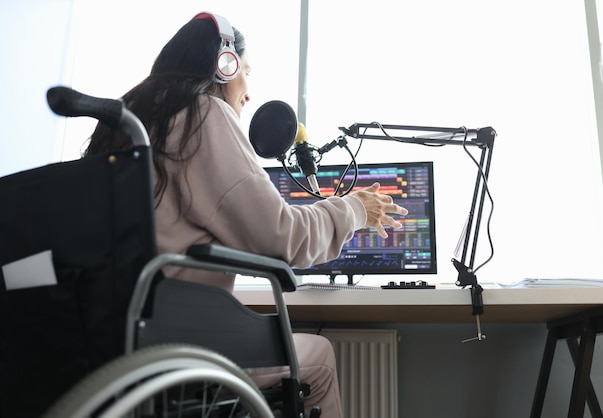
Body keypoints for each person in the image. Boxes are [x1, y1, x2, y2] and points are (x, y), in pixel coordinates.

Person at [85, 12, 408, 418]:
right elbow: (283, 237)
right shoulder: (202, 114)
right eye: (247, 73)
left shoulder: (124, 122)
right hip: (176, 343)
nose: (248, 92)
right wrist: (355, 208)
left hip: (105, 341)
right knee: (319, 357)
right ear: (225, 65)